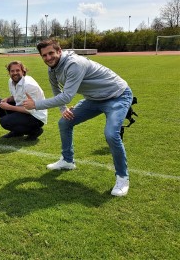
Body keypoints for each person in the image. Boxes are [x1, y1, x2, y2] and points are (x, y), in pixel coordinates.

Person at [23, 39, 133, 196]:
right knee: (64, 122)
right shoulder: (52, 69)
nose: (48, 58)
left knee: (111, 134)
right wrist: (63, 109)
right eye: (44, 55)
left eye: (51, 53)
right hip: (93, 99)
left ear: (59, 51)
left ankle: (122, 178)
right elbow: (56, 90)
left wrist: (36, 104)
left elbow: (67, 96)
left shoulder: (74, 64)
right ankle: (67, 161)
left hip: (117, 96)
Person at [0, 60, 48, 141]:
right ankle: (17, 131)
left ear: (23, 71)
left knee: (4, 122)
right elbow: (16, 96)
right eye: (12, 71)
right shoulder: (11, 81)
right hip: (24, 108)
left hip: (36, 116)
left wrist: (9, 107)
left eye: (18, 70)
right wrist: (7, 99)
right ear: (9, 72)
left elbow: (31, 110)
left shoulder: (29, 85)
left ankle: (35, 130)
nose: (15, 73)